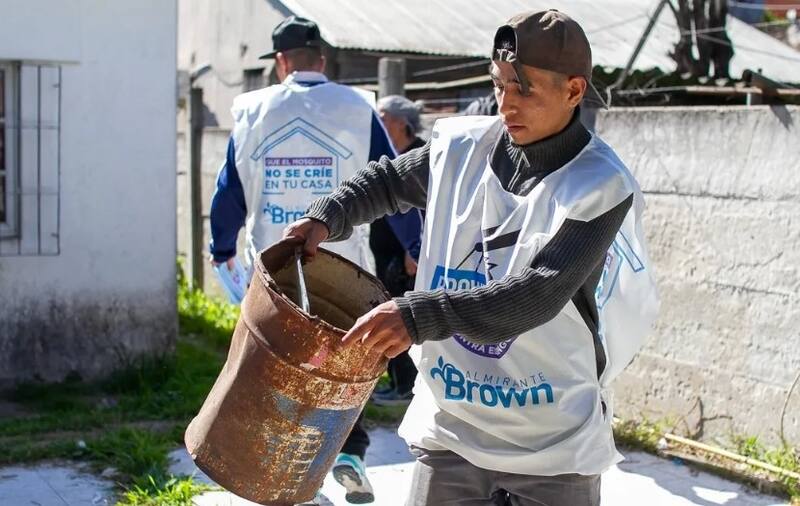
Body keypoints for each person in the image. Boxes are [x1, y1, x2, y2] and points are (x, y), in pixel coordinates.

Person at [284, 10, 658, 506]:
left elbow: (538, 293)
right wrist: (326, 215)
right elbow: (388, 182)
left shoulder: (599, 184)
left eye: (524, 90)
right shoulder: (462, 151)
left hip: (551, 442)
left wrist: (416, 315)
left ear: (573, 90)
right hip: (454, 428)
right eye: (499, 85)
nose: (506, 104)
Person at [208, 16, 396, 504]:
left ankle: (280, 471)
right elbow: (393, 180)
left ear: (280, 62)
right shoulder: (359, 107)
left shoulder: (253, 111)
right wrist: (413, 246)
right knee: (341, 366)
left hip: (275, 272)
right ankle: (347, 452)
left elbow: (228, 191)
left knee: (273, 364)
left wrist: (221, 248)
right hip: (344, 267)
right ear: (323, 61)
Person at [370, 95, 425, 406]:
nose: (377, 124)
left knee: (401, 316)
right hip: (387, 253)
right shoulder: (388, 155)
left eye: (383, 118)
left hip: (406, 257)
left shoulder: (418, 156)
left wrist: (414, 250)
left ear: (402, 124)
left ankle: (406, 386)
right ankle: (397, 382)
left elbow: (428, 209)